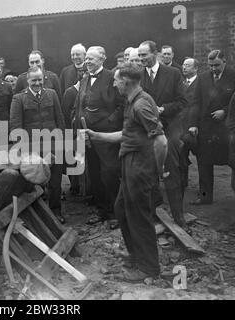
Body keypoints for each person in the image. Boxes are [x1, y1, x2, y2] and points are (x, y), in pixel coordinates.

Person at [83, 63, 167, 281]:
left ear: (127, 82)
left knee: (139, 217)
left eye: (116, 80)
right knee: (121, 210)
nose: (113, 83)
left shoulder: (140, 105)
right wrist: (96, 135)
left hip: (140, 167)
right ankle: (136, 255)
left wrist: (156, 171)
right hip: (130, 164)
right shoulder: (133, 102)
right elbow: (127, 133)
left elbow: (161, 140)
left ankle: (149, 268)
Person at [138, 40, 188, 227]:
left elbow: (183, 102)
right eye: (140, 55)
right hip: (148, 128)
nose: (142, 59)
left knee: (171, 168)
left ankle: (178, 215)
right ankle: (151, 213)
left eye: (145, 55)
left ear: (155, 53)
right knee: (147, 171)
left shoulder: (173, 74)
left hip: (170, 126)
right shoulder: (138, 76)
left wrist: (163, 109)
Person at [73, 46, 124, 227]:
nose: (87, 62)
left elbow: (121, 105)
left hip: (106, 135)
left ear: (102, 59)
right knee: (93, 173)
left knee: (109, 173)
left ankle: (116, 213)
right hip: (88, 135)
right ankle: (102, 211)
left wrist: (108, 123)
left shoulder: (112, 77)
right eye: (86, 58)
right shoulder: (85, 77)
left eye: (91, 59)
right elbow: (80, 104)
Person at [10, 66, 66, 223]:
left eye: (39, 80)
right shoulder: (19, 99)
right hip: (31, 149)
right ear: (27, 80)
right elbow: (15, 126)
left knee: (55, 182)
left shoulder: (52, 94)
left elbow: (59, 119)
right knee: (32, 183)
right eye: (33, 80)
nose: (37, 83)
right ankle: (34, 216)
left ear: (44, 79)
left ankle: (56, 212)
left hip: (53, 145)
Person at [188, 50, 235, 204]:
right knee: (204, 162)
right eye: (210, 66)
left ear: (224, 61)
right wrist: (193, 124)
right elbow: (195, 103)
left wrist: (225, 111)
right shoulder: (202, 78)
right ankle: (205, 196)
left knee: (231, 161)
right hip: (206, 127)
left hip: (226, 129)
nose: (213, 69)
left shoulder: (233, 75)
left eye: (217, 65)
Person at [180, 57, 200, 193]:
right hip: (181, 126)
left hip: (195, 127)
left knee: (201, 157)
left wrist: (195, 124)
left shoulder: (201, 83)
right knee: (181, 155)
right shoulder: (181, 83)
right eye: (183, 65)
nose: (184, 67)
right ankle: (182, 184)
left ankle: (204, 188)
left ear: (195, 68)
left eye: (187, 65)